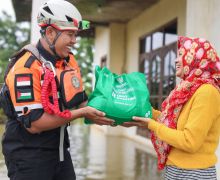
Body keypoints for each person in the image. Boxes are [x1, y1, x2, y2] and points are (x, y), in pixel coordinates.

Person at [1, 0, 114, 180]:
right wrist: (82, 113)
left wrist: (115, 111)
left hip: (60, 153)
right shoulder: (26, 66)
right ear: (50, 32)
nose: (74, 41)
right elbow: (35, 124)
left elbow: (80, 100)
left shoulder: (68, 61)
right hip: (29, 158)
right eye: (70, 34)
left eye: (75, 35)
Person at [123, 36, 220, 180]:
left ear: (195, 57)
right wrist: (145, 111)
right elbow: (171, 121)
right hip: (176, 170)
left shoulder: (206, 92)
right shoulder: (188, 89)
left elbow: (189, 142)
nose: (175, 60)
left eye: (181, 54)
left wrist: (152, 125)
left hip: (194, 174)